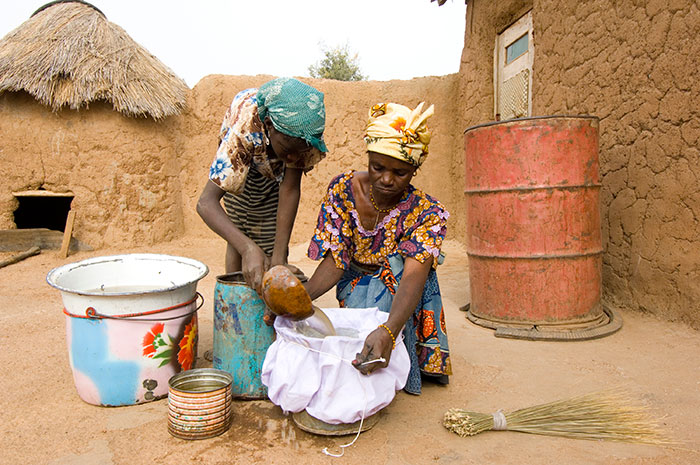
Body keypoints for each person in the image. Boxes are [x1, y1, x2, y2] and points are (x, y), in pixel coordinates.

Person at [303, 102, 451, 395]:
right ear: (368, 156)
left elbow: (412, 277)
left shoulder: (428, 211)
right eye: (377, 167)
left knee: (383, 323)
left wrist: (388, 330)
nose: (386, 179)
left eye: (400, 172)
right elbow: (337, 259)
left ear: (415, 169)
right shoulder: (343, 191)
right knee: (358, 342)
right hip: (355, 280)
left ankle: (408, 353)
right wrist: (299, 301)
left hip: (403, 283)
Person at [197, 77, 327, 292]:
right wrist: (247, 248)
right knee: (238, 230)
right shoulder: (243, 130)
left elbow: (290, 188)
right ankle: (237, 296)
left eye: (299, 153)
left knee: (270, 237)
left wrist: (279, 259)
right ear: (269, 126)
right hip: (241, 163)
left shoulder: (304, 134)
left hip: (271, 164)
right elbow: (205, 203)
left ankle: (266, 299)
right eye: (288, 150)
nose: (295, 159)